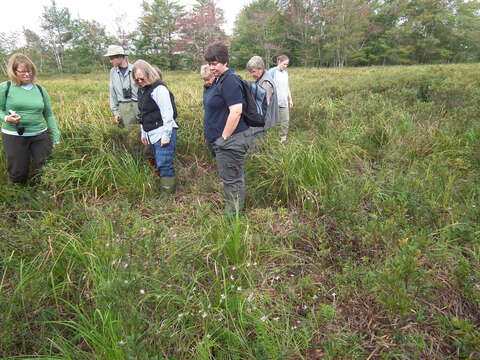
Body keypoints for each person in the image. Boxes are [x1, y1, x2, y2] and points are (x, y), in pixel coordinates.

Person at [203, 42, 251, 215]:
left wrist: (224, 138)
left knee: (232, 180)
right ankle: (234, 210)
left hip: (232, 140)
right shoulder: (220, 80)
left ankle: (233, 217)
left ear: (224, 61)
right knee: (231, 177)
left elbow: (236, 111)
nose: (211, 67)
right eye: (209, 64)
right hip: (226, 141)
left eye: (214, 63)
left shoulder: (230, 80)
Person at [0, 53, 60, 185]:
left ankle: (45, 192)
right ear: (14, 71)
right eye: (22, 71)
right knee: (18, 171)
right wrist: (6, 118)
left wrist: (56, 135)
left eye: (30, 71)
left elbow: (49, 114)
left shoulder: (40, 89)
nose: (27, 74)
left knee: (46, 167)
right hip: (14, 136)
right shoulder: (6, 88)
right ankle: (19, 196)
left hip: (40, 134)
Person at [132, 60, 178, 193]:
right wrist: (143, 132)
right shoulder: (142, 90)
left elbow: (168, 114)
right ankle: (163, 187)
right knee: (158, 161)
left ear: (149, 73)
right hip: (150, 131)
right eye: (137, 79)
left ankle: (168, 193)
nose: (140, 81)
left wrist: (166, 136)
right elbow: (143, 114)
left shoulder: (159, 89)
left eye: (142, 78)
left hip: (163, 130)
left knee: (164, 163)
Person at [246, 55, 279, 147]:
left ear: (260, 69)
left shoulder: (265, 83)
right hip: (262, 121)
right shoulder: (261, 78)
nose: (251, 75)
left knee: (258, 145)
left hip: (263, 122)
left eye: (253, 72)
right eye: (250, 72)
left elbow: (264, 105)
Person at [104, 45, 139, 128]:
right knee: (128, 136)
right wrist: (116, 112)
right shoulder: (112, 72)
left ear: (120, 57)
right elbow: (112, 93)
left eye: (111, 58)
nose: (110, 61)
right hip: (123, 108)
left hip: (138, 107)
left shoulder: (136, 69)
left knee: (142, 135)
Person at [268, 55, 293, 143]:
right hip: (274, 101)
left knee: (285, 120)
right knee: (273, 121)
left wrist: (290, 99)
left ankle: (283, 138)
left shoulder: (286, 73)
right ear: (279, 62)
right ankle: (271, 138)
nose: (285, 66)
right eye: (284, 64)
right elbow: (267, 87)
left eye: (287, 64)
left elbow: (287, 87)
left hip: (284, 101)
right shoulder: (272, 72)